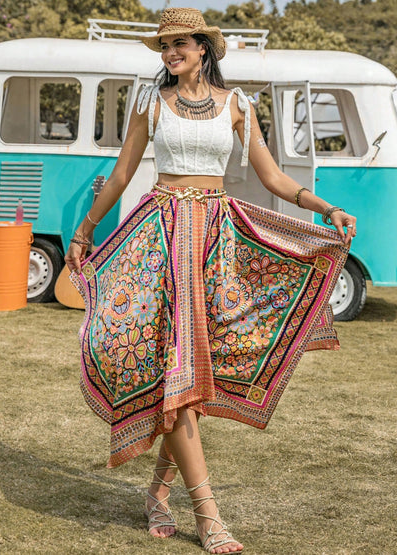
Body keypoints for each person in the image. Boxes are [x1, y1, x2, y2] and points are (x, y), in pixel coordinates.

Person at [64, 7, 356, 554]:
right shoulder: (151, 104)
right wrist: (84, 230)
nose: (171, 52)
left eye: (181, 44)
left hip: (218, 239)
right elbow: (124, 173)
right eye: (165, 45)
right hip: (161, 237)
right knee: (174, 366)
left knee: (198, 370)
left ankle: (157, 493)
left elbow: (272, 177)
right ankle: (209, 513)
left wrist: (326, 206)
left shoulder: (238, 104)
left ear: (203, 48)